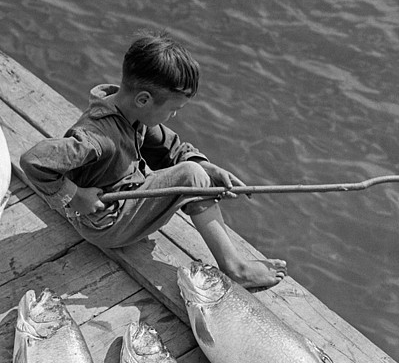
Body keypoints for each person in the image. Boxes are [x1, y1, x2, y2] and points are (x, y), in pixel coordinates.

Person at [19, 30, 286, 288]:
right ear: (144, 99)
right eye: (174, 110)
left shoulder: (130, 111)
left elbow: (170, 148)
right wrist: (76, 196)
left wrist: (208, 169)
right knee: (190, 176)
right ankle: (235, 268)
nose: (174, 117)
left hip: (123, 201)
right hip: (105, 224)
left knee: (196, 171)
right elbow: (33, 161)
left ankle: (205, 195)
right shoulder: (97, 138)